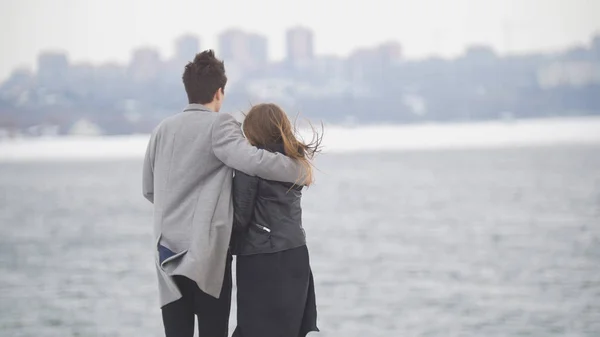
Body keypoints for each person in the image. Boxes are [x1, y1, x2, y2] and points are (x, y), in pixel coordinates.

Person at [142, 51, 307, 337]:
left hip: (166, 253)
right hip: (207, 256)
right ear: (219, 92)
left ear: (188, 89)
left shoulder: (162, 129)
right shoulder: (220, 125)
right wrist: (299, 171)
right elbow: (254, 161)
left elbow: (149, 189)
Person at [230, 103, 322, 337]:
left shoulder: (250, 165)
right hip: (296, 254)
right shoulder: (296, 161)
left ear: (254, 131)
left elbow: (240, 218)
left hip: (261, 259)